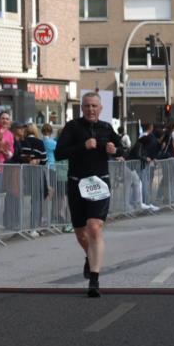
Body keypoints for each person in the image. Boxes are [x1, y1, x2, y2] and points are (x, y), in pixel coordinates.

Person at [53, 92, 122, 297]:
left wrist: (114, 149)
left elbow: (123, 150)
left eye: (94, 106)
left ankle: (94, 280)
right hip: (76, 184)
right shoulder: (72, 127)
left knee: (94, 227)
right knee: (81, 233)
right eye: (87, 106)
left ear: (100, 109)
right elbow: (59, 154)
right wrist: (82, 146)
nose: (91, 109)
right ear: (81, 108)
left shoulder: (107, 128)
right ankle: (89, 257)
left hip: (99, 184)